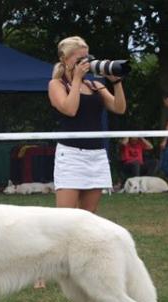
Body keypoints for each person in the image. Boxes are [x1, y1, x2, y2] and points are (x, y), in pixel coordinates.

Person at [48, 35, 126, 213]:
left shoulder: (94, 84)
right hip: (71, 155)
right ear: (65, 60)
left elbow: (119, 108)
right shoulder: (56, 85)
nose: (86, 63)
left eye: (88, 58)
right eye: (80, 59)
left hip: (96, 155)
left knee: (88, 217)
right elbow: (70, 109)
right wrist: (76, 80)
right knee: (65, 216)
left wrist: (117, 82)